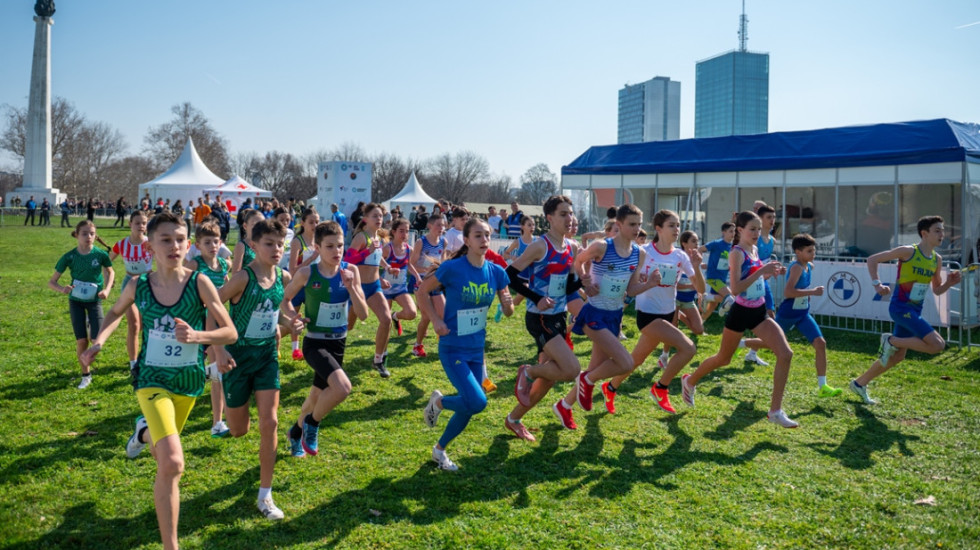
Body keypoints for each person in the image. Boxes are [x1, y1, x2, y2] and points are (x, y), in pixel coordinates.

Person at [80, 212, 237, 550]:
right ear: (149, 244)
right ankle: (171, 546)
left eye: (180, 239)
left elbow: (230, 331)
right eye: (166, 239)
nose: (175, 246)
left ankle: (142, 431)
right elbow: (115, 311)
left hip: (189, 383)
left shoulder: (200, 283)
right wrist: (99, 341)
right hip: (151, 380)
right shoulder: (139, 285)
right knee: (173, 461)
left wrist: (198, 336)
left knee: (165, 456)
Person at [214, 219, 301, 520]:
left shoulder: (283, 276)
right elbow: (212, 310)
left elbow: (277, 313)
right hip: (237, 358)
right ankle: (230, 409)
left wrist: (291, 324)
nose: (277, 249)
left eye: (280, 244)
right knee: (239, 429)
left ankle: (265, 495)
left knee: (271, 422)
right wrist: (219, 348)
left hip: (266, 356)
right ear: (253, 246)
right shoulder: (241, 279)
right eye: (269, 244)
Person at [681, 211, 799, 428]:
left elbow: (754, 277)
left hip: (759, 311)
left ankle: (775, 411)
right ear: (740, 230)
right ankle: (689, 381)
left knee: (785, 353)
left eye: (759, 229)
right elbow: (735, 288)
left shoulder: (754, 249)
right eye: (752, 229)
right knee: (723, 359)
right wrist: (762, 270)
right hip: (740, 311)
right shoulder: (736, 252)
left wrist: (770, 273)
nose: (757, 233)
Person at [420, 218, 514, 470]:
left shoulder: (496, 272)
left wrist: (507, 305)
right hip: (452, 347)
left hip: (476, 349)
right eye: (478, 236)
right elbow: (422, 291)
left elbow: (509, 311)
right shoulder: (453, 269)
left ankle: (439, 451)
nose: (484, 240)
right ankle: (438, 403)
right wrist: (436, 320)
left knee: (470, 404)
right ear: (466, 240)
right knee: (478, 401)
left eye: (487, 235)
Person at [553, 204, 651, 430]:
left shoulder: (640, 253)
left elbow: (632, 290)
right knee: (625, 363)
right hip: (594, 312)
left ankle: (564, 405)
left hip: (615, 315)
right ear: (619, 225)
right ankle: (586, 382)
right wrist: (585, 279)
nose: (637, 229)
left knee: (595, 369)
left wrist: (651, 283)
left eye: (639, 224)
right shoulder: (602, 246)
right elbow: (578, 260)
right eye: (632, 224)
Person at [850, 215, 961, 405]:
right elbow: (872, 259)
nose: (942, 234)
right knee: (937, 345)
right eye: (937, 230)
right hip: (900, 308)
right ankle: (890, 340)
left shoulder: (937, 259)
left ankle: (859, 383)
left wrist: (949, 283)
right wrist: (877, 284)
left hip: (914, 311)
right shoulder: (908, 251)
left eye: (942, 230)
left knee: (897, 356)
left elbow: (936, 289)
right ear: (924, 234)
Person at [603, 210, 705, 415]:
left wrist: (696, 267)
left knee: (635, 360)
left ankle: (610, 387)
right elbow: (627, 276)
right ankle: (660, 388)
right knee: (688, 349)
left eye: (678, 225)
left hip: (668, 313)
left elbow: (701, 289)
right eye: (671, 225)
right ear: (658, 228)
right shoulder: (644, 251)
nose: (677, 230)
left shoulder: (681, 255)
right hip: (647, 315)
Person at [282, 221, 369, 457]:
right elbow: (285, 299)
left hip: (338, 342)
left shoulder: (351, 272)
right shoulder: (306, 273)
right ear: (317, 248)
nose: (336, 251)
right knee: (342, 388)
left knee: (315, 398)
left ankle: (296, 432)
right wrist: (292, 318)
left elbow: (363, 315)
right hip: (315, 342)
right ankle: (312, 423)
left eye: (340, 245)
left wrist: (351, 288)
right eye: (330, 246)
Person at [505, 195, 582, 441]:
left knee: (549, 377)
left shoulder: (572, 247)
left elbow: (569, 285)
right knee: (571, 370)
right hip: (539, 317)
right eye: (563, 214)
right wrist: (536, 296)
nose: (569, 218)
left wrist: (585, 285)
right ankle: (527, 371)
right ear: (549, 218)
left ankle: (514, 419)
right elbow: (510, 275)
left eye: (570, 213)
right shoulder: (540, 246)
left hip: (559, 316)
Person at [773, 234, 842, 398]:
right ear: (798, 252)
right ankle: (744, 343)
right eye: (809, 251)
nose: (813, 254)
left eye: (814, 250)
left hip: (803, 313)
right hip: (788, 313)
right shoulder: (796, 267)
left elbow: (798, 287)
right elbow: (788, 292)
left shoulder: (809, 265)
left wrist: (806, 294)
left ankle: (823, 386)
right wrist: (812, 292)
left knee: (820, 343)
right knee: (768, 343)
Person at [48, 220, 115, 389]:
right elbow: (52, 281)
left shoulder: (100, 255)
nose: (89, 237)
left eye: (92, 234)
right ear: (77, 235)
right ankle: (86, 375)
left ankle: (90, 323)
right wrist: (62, 289)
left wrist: (107, 289)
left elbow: (110, 271)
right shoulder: (70, 256)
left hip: (94, 301)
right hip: (76, 302)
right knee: (81, 341)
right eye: (84, 233)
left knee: (96, 340)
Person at [184, 220, 233, 437]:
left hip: (217, 325)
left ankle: (217, 422)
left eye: (215, 241)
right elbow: (180, 285)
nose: (212, 246)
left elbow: (228, 289)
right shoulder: (195, 265)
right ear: (197, 245)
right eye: (207, 242)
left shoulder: (224, 265)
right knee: (195, 369)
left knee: (217, 372)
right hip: (198, 323)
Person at [344, 203, 394, 377]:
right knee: (348, 326)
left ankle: (379, 360)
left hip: (374, 287)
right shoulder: (361, 237)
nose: (379, 219)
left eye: (380, 216)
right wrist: (367, 252)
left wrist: (385, 271)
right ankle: (331, 354)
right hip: (358, 289)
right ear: (366, 219)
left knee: (386, 319)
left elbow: (375, 260)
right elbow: (348, 259)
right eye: (375, 216)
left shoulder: (377, 238)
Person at [109, 211, 153, 373]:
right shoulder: (121, 244)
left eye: (144, 223)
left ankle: (149, 357)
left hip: (147, 285)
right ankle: (134, 363)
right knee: (133, 325)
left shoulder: (151, 243)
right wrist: (110, 278)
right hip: (129, 284)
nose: (141, 226)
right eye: (137, 223)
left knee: (146, 325)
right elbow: (107, 261)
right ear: (130, 224)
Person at [410, 213, 448, 358]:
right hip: (421, 284)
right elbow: (411, 264)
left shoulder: (443, 242)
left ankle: (444, 343)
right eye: (438, 225)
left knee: (444, 313)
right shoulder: (421, 242)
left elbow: (442, 263)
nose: (441, 228)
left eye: (443, 225)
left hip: (436, 283)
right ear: (430, 226)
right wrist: (426, 270)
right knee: (426, 317)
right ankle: (417, 346)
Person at [287, 208, 321, 360]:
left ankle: (314, 347)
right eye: (311, 222)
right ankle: (295, 349)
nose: (315, 225)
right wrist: (312, 258)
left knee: (313, 317)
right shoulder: (297, 241)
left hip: (314, 286)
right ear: (303, 223)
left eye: (317, 222)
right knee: (295, 317)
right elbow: (292, 270)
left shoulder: (319, 241)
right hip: (298, 286)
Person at [383, 218, 421, 338]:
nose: (404, 234)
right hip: (385, 290)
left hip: (400, 289)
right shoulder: (387, 248)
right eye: (401, 231)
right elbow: (376, 263)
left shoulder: (409, 249)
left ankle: (396, 316)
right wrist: (384, 273)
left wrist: (417, 276)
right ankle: (383, 351)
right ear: (393, 232)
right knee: (385, 322)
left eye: (407, 231)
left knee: (412, 313)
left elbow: (408, 264)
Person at [700, 222, 736, 320]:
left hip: (722, 278)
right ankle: (707, 298)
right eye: (731, 231)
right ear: (723, 232)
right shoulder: (716, 243)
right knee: (729, 297)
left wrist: (708, 265)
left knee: (713, 304)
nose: (733, 233)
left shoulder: (733, 247)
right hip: (713, 277)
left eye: (734, 231)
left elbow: (723, 262)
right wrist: (699, 263)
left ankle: (700, 323)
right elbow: (700, 249)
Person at [502, 214, 536, 307]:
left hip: (533, 275)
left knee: (518, 301)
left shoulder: (537, 241)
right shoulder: (518, 241)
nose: (532, 227)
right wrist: (514, 258)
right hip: (520, 275)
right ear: (522, 226)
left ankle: (505, 307)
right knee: (525, 288)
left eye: (533, 224)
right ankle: (505, 307)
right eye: (529, 225)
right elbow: (505, 254)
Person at [232, 209, 264, 273]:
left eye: (261, 224)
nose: (258, 228)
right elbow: (235, 274)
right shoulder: (242, 246)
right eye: (254, 225)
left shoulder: (265, 245)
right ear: (245, 226)